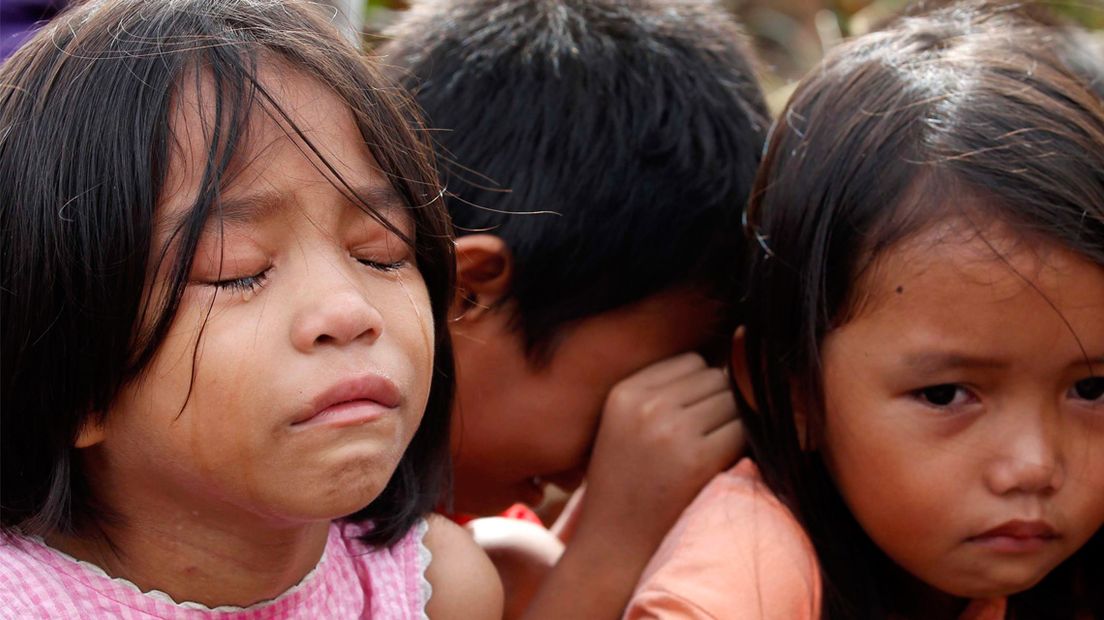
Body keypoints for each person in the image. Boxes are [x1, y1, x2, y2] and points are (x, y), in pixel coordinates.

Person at [0, 1, 502, 617]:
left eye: (381, 251)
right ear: (72, 382)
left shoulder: (435, 591)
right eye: (235, 269)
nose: (347, 310)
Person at [626, 4, 1104, 619]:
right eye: (945, 395)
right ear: (793, 390)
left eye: (1092, 387)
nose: (1034, 466)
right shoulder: (742, 585)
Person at [378, 0, 770, 616]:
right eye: (638, 385)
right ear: (467, 294)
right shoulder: (292, 531)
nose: (641, 426)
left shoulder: (486, 538)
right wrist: (612, 548)